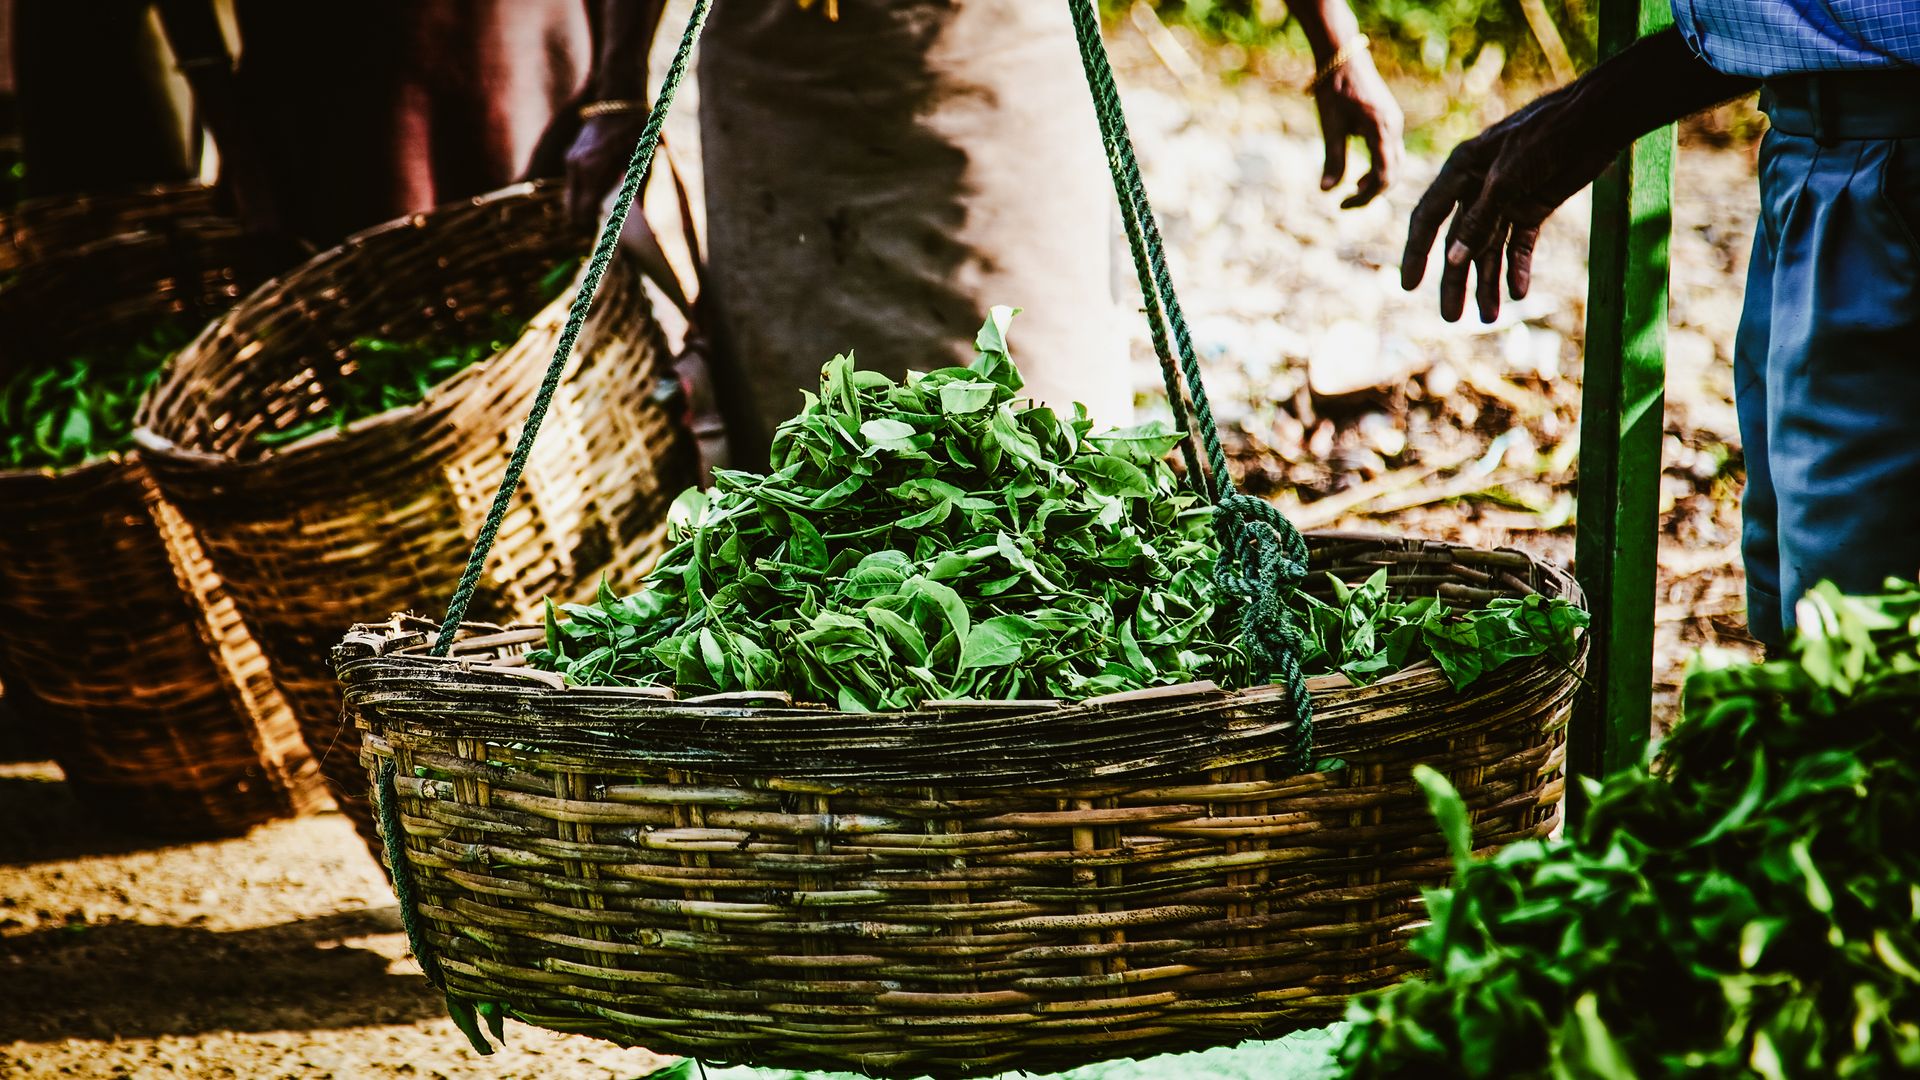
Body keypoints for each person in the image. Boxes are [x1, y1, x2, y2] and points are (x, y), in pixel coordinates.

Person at [555, 0, 1402, 465]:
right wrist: (617, 94)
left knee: (1044, 449)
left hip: (996, 72)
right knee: (815, 467)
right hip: (785, 99)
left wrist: (1336, 46)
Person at [1400, 5, 1920, 651]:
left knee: (1848, 632)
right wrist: (1598, 109)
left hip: (1884, 161)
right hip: (1809, 149)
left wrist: (1595, 112)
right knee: (1802, 593)